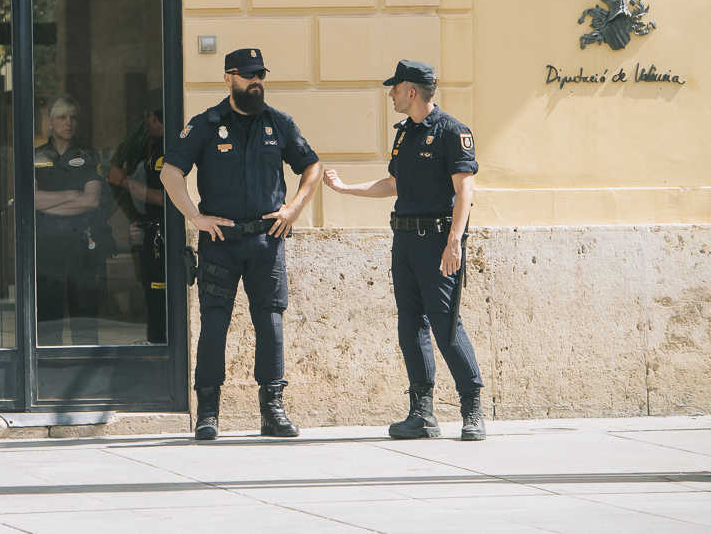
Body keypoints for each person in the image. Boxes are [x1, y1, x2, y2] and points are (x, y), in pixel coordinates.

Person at [160, 47, 322, 441]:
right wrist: (195, 217)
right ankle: (208, 413)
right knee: (214, 325)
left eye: (260, 75)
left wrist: (294, 210)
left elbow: (312, 166)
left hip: (267, 242)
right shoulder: (205, 124)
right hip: (220, 242)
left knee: (270, 324)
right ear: (229, 77)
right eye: (248, 75)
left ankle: (273, 410)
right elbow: (170, 173)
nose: (256, 82)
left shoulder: (279, 123)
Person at [322, 59, 486, 441]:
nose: (390, 94)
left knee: (446, 324)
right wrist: (347, 189)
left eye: (394, 88)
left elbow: (465, 191)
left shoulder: (452, 131)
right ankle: (422, 414)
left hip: (438, 242)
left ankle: (472, 408)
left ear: (411, 91)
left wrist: (454, 242)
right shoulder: (404, 134)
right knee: (410, 324)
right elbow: (393, 184)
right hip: (406, 241)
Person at [34, 95, 106, 345]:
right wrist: (69, 195)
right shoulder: (35, 157)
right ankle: (49, 368)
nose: (68, 123)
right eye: (62, 117)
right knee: (48, 313)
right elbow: (30, 201)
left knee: (84, 312)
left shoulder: (89, 156)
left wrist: (48, 203)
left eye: (73, 117)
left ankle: (85, 365)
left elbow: (91, 201)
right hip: (46, 245)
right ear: (50, 122)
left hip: (81, 244)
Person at [108, 104, 167, 343]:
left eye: (150, 119)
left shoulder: (172, 147)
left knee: (161, 291)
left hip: (166, 230)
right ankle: (155, 340)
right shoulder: (147, 147)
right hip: (149, 228)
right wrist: (137, 218)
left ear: (154, 118)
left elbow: (166, 198)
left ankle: (161, 342)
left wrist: (125, 183)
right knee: (151, 289)